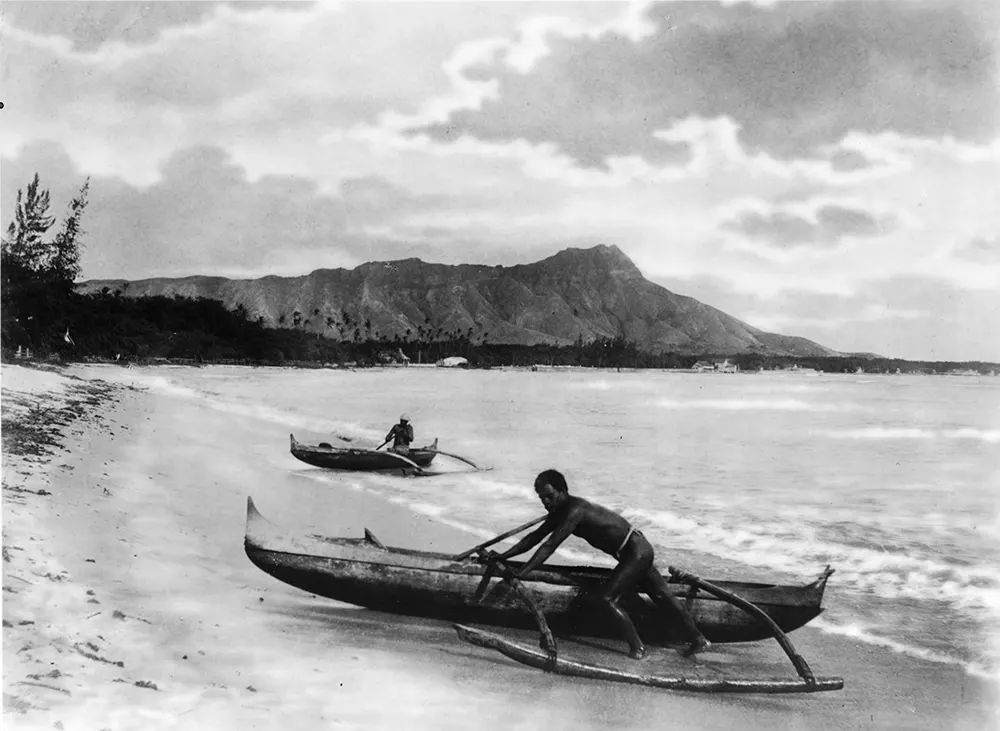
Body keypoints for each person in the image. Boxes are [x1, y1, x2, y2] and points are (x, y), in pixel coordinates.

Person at [489, 469, 710, 660]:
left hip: (636, 552)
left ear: (563, 491)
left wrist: (523, 572)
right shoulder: (560, 512)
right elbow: (533, 539)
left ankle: (638, 648)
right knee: (663, 596)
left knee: (606, 598)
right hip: (635, 551)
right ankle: (699, 640)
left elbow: (549, 546)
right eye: (541, 498)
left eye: (549, 496)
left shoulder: (575, 511)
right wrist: (503, 556)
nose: (546, 502)